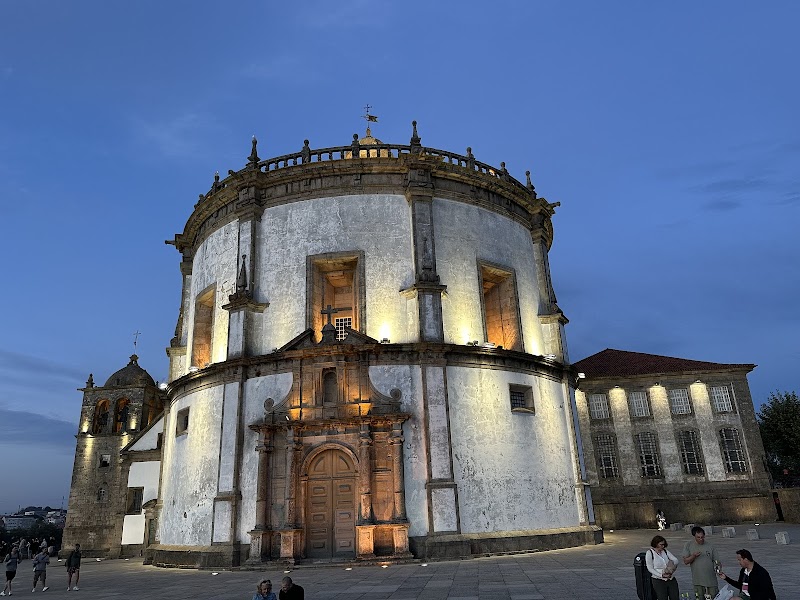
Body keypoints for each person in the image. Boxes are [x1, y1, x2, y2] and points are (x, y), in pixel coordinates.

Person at [682, 526, 721, 599]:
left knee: (714, 597)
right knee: (699, 597)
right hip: (697, 580)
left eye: (702, 537)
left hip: (710, 579)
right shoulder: (688, 545)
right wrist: (693, 556)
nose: (701, 539)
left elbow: (717, 561)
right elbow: (686, 561)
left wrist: (718, 569)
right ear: (694, 536)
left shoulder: (711, 546)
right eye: (698, 537)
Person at [646, 535, 679, 600]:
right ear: (656, 544)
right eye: (661, 545)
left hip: (670, 578)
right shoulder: (650, 553)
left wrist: (671, 567)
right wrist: (661, 575)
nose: (663, 546)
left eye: (663, 545)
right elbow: (650, 568)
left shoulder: (665, 551)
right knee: (662, 597)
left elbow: (675, 560)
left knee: (674, 596)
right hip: (658, 579)